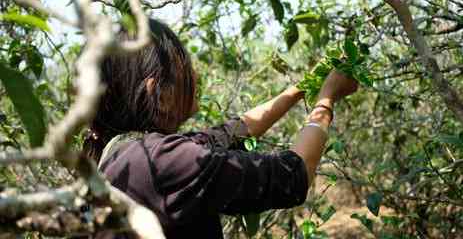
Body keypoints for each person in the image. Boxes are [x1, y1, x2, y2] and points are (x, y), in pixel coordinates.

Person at [84, 18, 358, 238]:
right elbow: (293, 176)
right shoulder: (165, 161)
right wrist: (327, 98)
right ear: (160, 94)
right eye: (186, 67)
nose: (195, 75)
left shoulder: (130, 154)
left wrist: (300, 88)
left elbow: (233, 132)